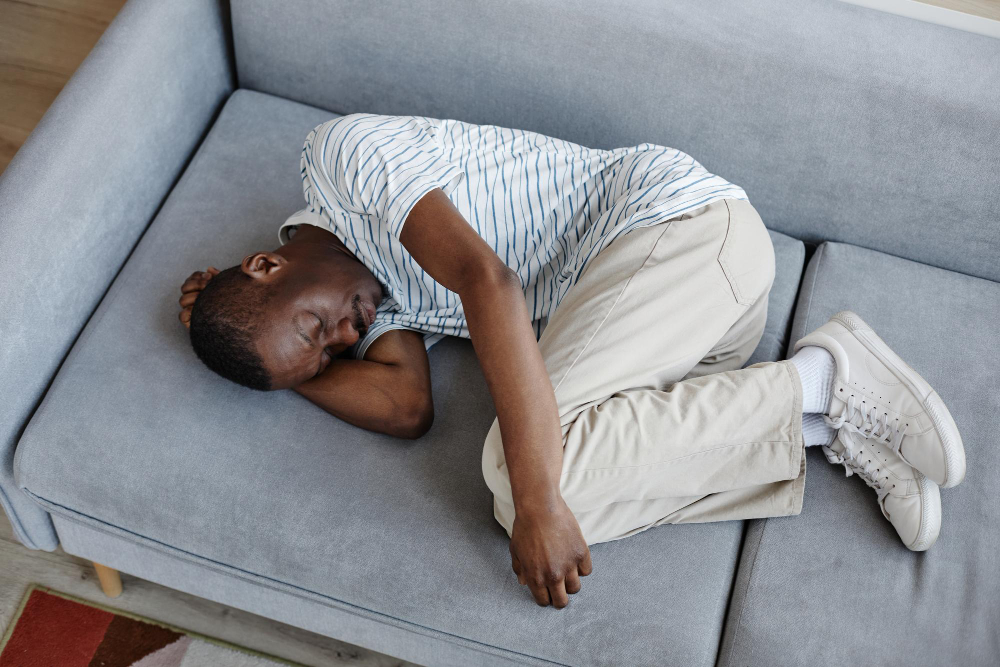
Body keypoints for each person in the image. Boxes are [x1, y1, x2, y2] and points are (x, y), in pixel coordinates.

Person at [177, 113, 966, 608]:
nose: (342, 335)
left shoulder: (341, 161)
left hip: (681, 231)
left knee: (518, 477)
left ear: (267, 264)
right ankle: (817, 414)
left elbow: (488, 281)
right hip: (699, 332)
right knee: (535, 493)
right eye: (329, 351)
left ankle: (828, 381)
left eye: (315, 326)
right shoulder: (374, 302)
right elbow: (405, 405)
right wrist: (286, 370)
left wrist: (537, 501)